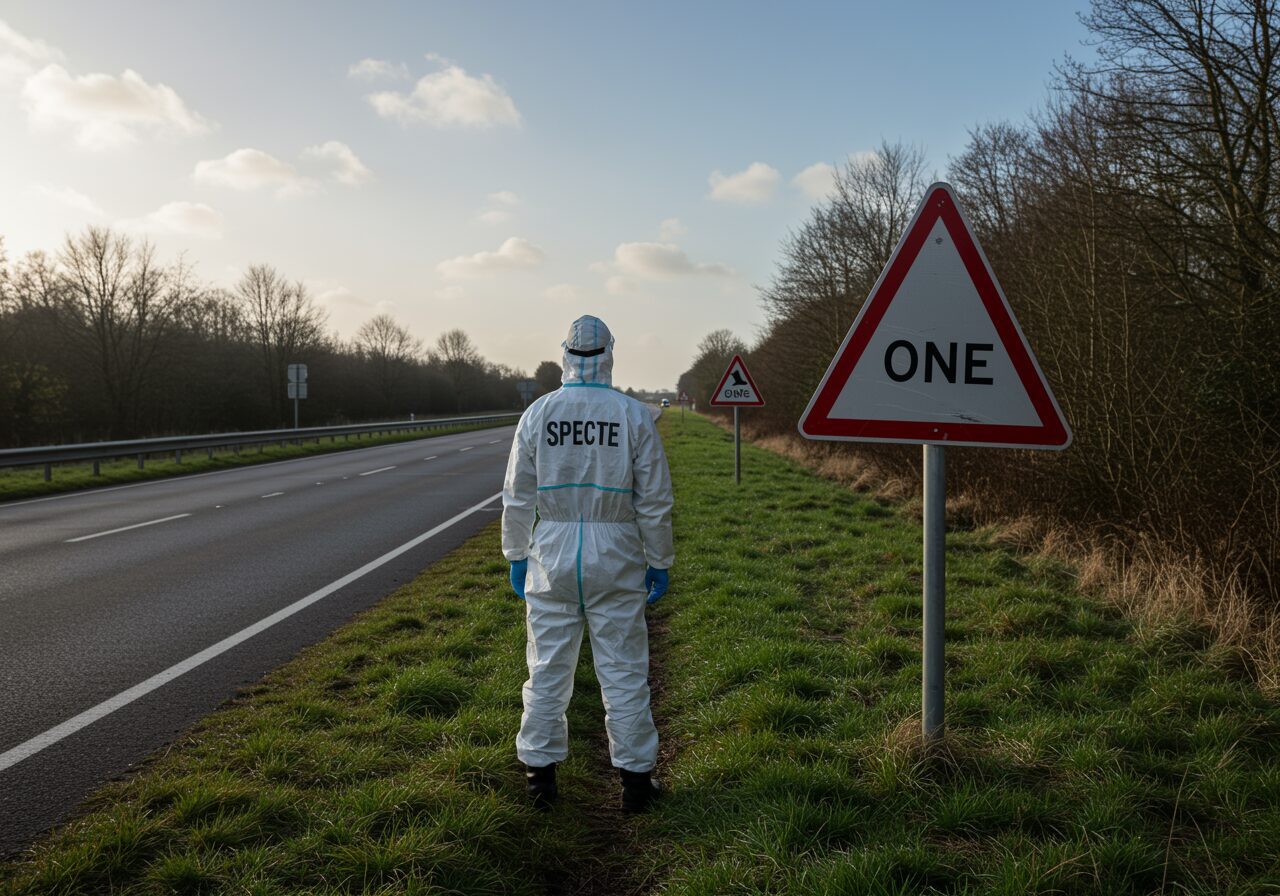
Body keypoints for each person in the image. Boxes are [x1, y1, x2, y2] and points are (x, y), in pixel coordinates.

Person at [502, 315, 674, 812]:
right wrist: (659, 559)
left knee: (547, 667)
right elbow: (654, 500)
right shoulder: (633, 415)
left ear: (565, 355)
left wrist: (516, 554)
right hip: (615, 551)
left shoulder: (539, 413)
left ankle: (539, 779)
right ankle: (636, 784)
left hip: (552, 551)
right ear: (609, 355)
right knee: (623, 669)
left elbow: (517, 495)